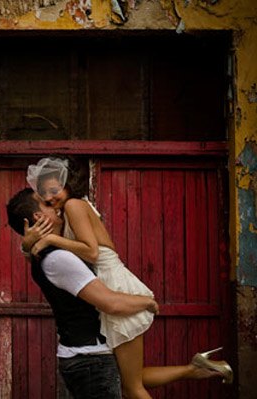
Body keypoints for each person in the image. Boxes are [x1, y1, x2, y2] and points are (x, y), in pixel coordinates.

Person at [21, 157, 232, 399]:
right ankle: (196, 369)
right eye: (45, 193)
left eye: (54, 190)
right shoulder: (71, 209)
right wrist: (28, 245)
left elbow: (91, 251)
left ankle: (196, 368)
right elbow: (48, 251)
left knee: (132, 387)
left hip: (114, 285)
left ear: (68, 184)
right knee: (130, 380)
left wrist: (50, 240)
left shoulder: (73, 206)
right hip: (109, 284)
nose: (50, 197)